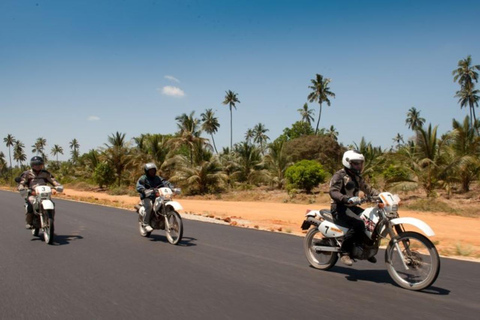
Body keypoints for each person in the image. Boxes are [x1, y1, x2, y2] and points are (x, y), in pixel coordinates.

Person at [329, 150, 379, 266]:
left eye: (360, 163)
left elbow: (368, 189)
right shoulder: (339, 176)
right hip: (339, 207)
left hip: (352, 207)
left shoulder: (357, 177)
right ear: (348, 163)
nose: (358, 166)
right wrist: (346, 199)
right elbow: (333, 191)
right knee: (358, 224)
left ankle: (365, 250)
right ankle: (344, 252)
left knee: (370, 221)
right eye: (355, 163)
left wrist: (382, 196)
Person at [18, 156, 63, 229]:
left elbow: (53, 180)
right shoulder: (27, 174)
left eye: (40, 164)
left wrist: (58, 186)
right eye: (36, 164)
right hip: (33, 193)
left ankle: (50, 219)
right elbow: (21, 183)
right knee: (30, 204)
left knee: (52, 204)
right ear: (32, 165)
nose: (38, 166)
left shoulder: (46, 173)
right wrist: (22, 188)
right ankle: (29, 222)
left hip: (44, 193)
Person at [136, 163, 175, 232]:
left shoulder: (158, 178)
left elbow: (165, 182)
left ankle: (164, 220)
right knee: (149, 206)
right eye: (150, 170)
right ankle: (145, 223)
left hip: (157, 196)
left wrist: (172, 188)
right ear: (146, 171)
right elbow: (139, 186)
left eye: (153, 170)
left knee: (166, 202)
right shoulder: (143, 178)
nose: (152, 172)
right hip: (147, 197)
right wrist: (143, 190)